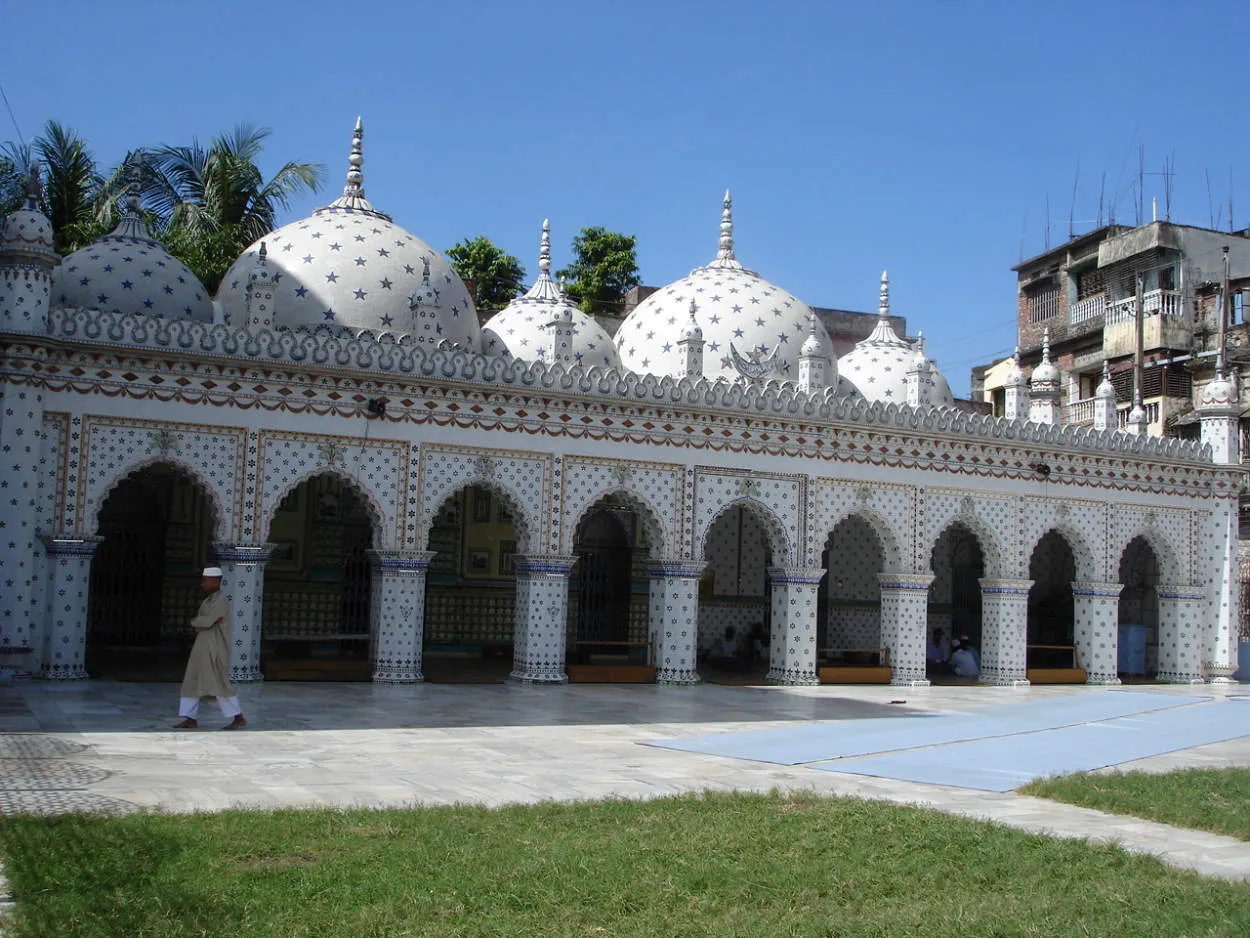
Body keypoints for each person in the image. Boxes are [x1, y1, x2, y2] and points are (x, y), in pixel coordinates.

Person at [174, 567, 247, 730]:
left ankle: (238, 717)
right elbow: (206, 621)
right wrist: (202, 621)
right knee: (191, 681)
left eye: (206, 581)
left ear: (216, 582)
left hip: (215, 648)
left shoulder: (221, 601)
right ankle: (190, 717)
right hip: (202, 647)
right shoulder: (208, 601)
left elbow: (206, 622)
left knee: (218, 683)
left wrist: (196, 622)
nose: (203, 585)